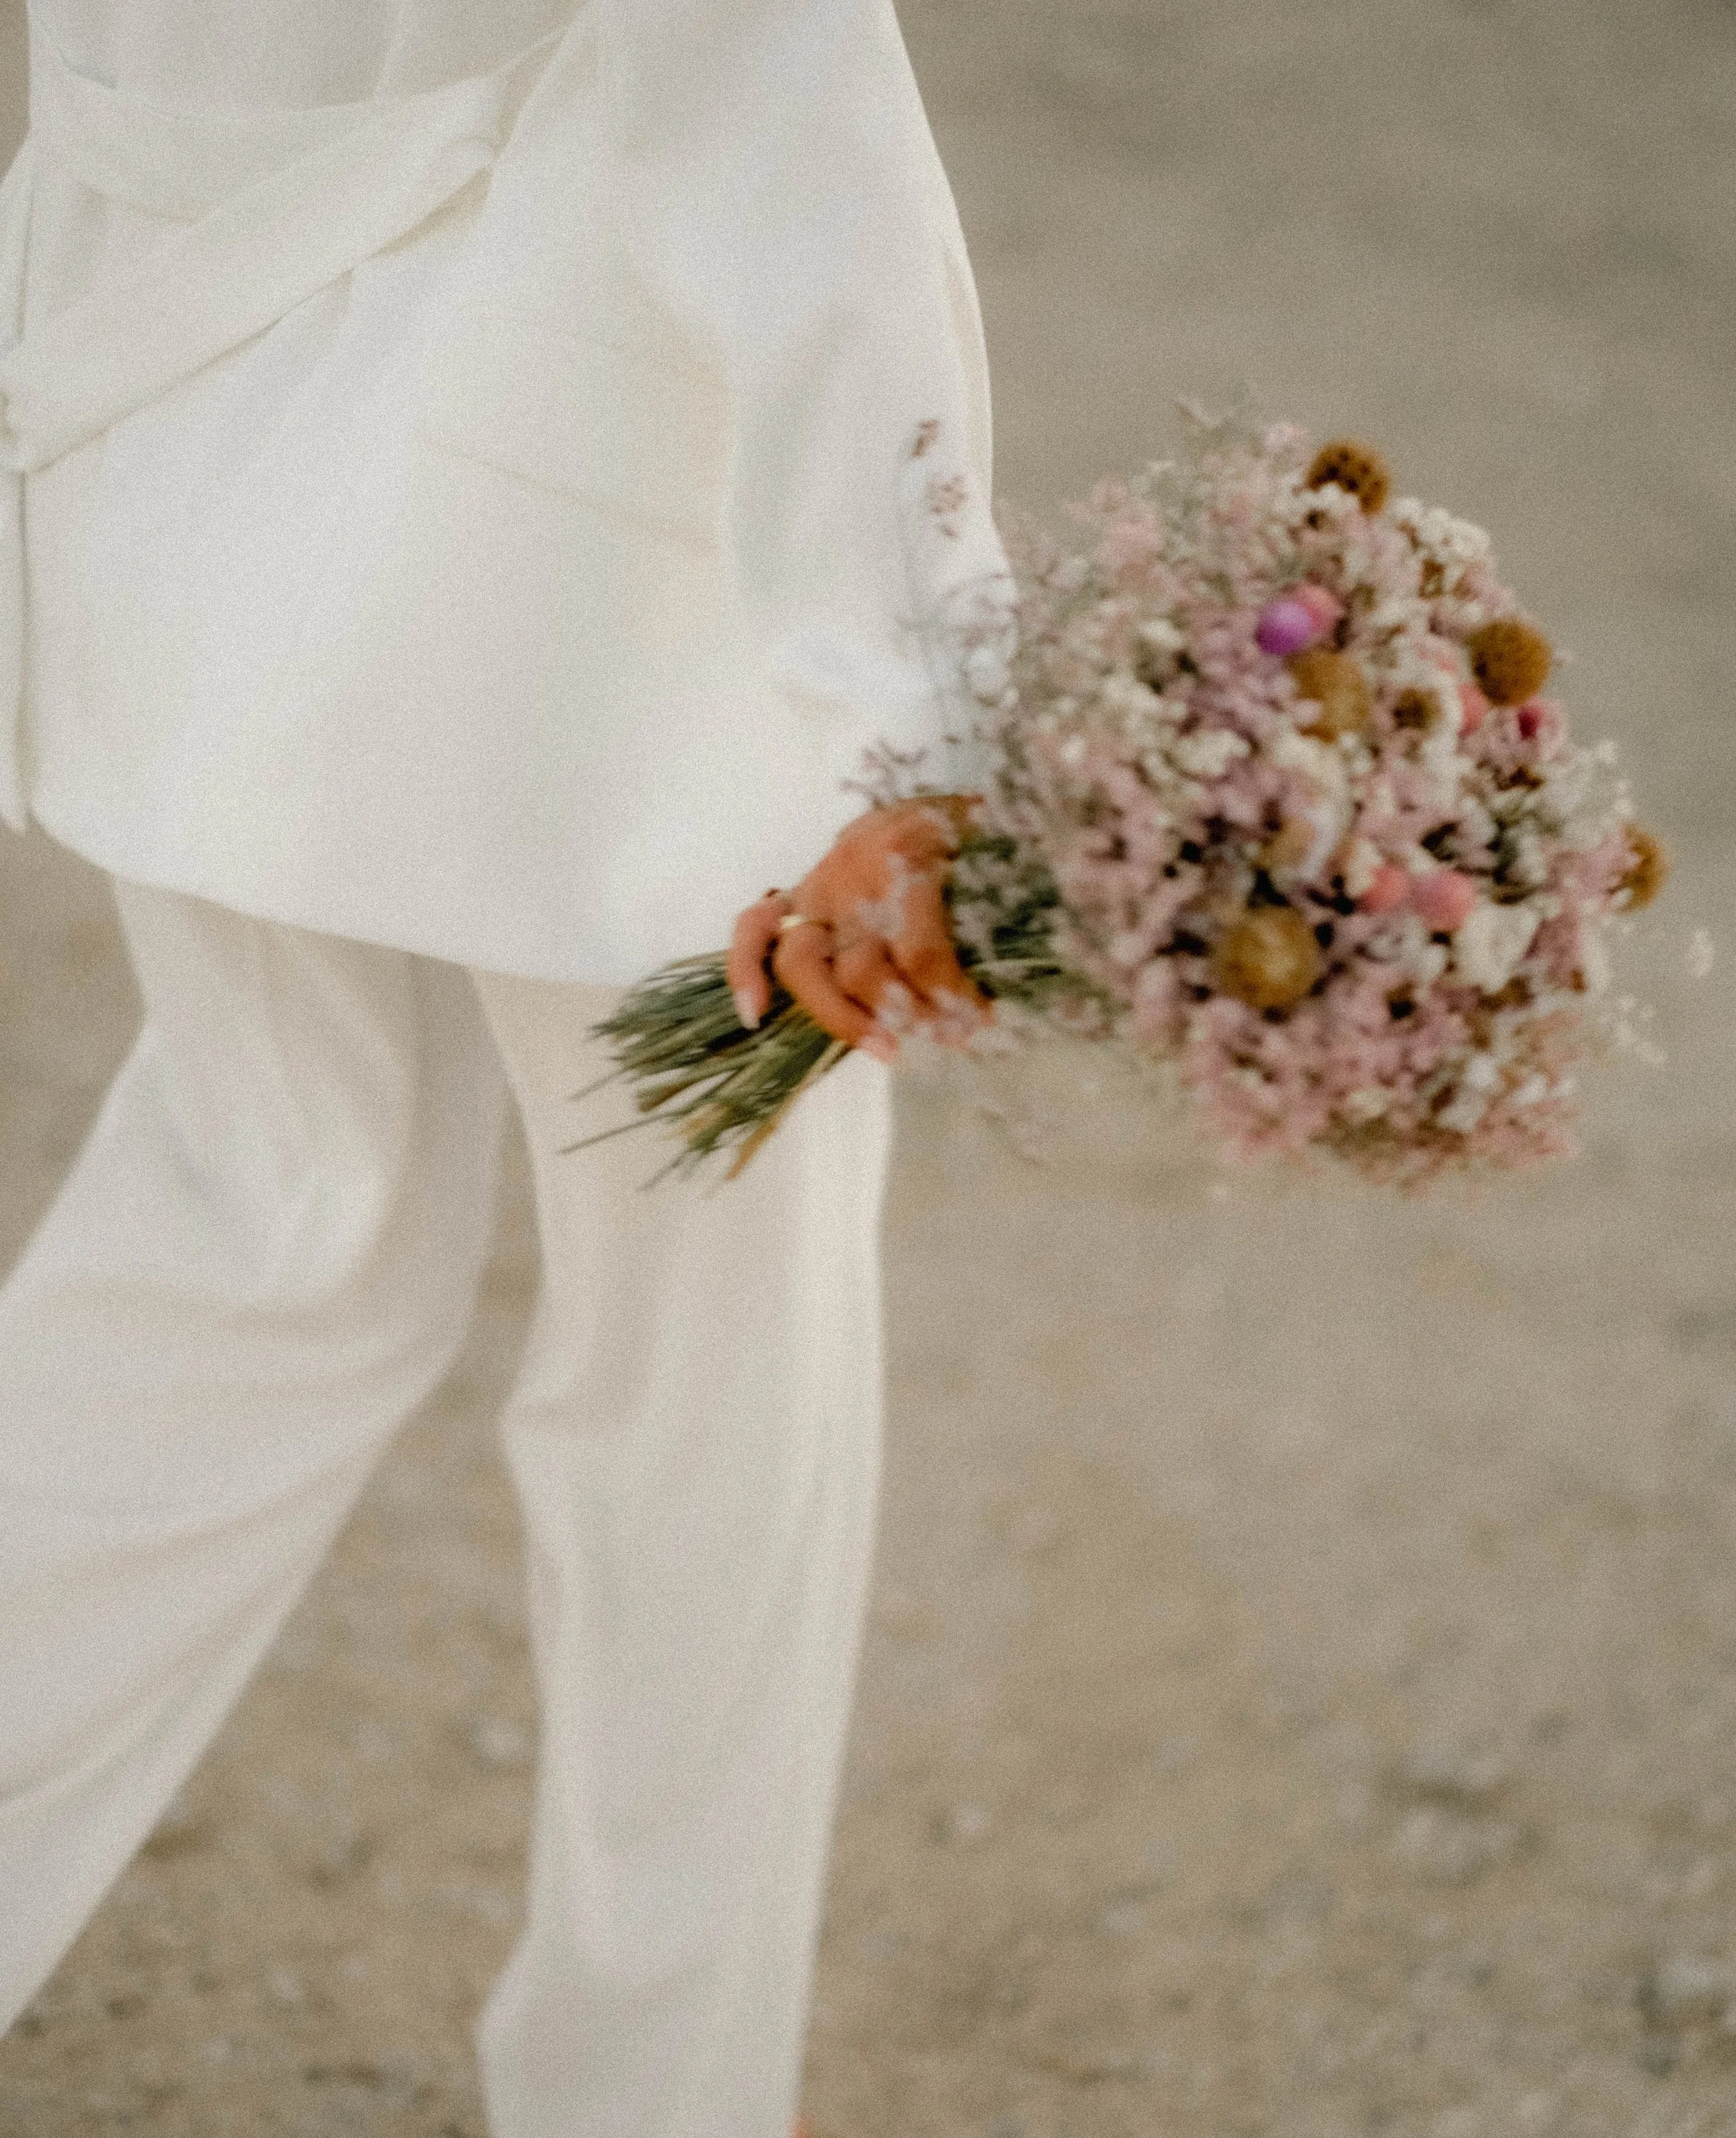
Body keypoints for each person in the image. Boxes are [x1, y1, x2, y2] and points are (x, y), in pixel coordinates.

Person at [0, 1, 1003, 2132]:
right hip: (611, 546)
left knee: (263, 1241)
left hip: (181, 446)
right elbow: (763, 71)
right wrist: (930, 722)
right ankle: (653, 2101)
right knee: (710, 1396)